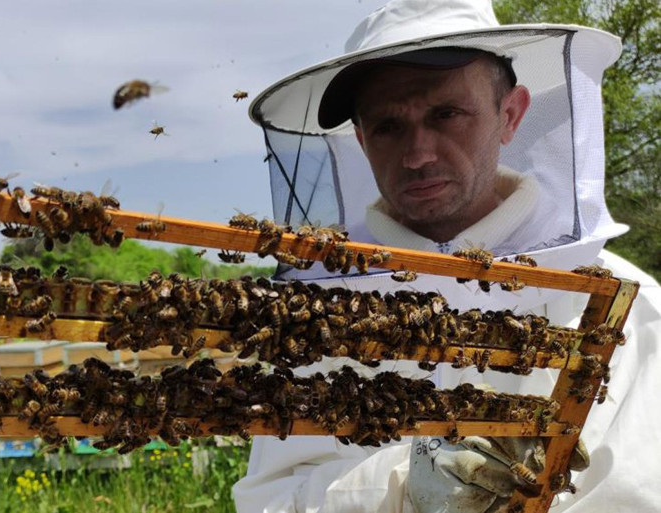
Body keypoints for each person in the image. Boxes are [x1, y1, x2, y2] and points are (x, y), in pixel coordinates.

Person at [233, 0, 661, 512]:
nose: (418, 154)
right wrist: (402, 488)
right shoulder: (316, 314)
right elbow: (271, 501)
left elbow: (639, 491)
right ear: (362, 140)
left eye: (446, 114)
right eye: (389, 126)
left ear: (511, 114)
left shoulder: (630, 309)